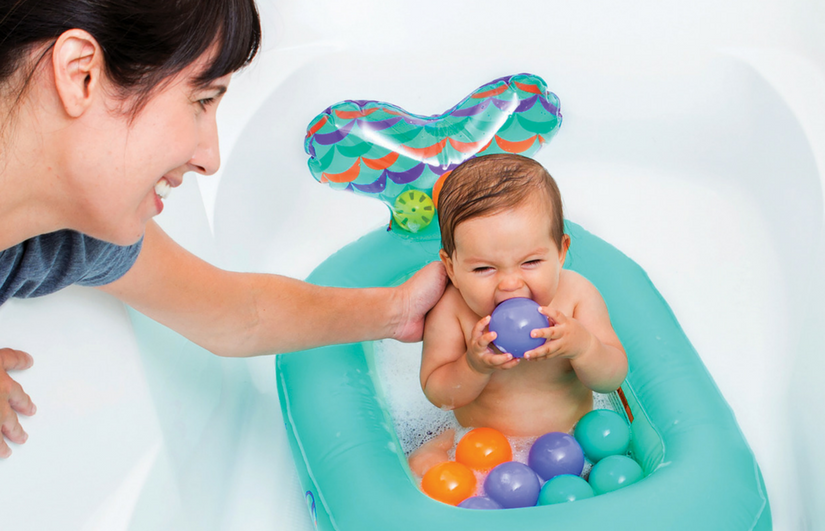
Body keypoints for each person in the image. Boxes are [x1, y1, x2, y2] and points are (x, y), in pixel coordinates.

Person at [0, 0, 447, 459]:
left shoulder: (70, 231)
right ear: (81, 76)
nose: (209, 158)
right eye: (200, 100)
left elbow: (238, 313)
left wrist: (399, 310)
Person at [408, 154, 628, 476]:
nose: (510, 284)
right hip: (482, 452)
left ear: (561, 251)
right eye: (483, 268)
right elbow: (439, 395)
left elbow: (612, 378)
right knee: (421, 466)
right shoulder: (452, 310)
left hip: (576, 445)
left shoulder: (578, 296)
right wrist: (472, 365)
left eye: (531, 262)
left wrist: (584, 347)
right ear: (451, 268)